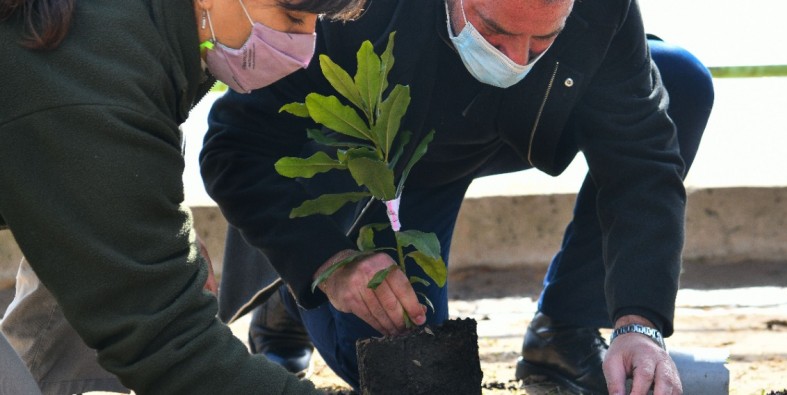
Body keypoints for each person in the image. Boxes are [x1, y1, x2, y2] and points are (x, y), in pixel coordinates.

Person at [200, 0, 715, 393]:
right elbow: (234, 150)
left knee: (679, 80)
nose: (515, 60)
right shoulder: (347, 9)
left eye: (542, 41)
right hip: (373, 166)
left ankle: (567, 328)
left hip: (500, 130)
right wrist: (324, 261)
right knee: (420, 374)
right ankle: (293, 296)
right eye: (494, 31)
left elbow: (641, 162)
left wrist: (639, 323)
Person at [0, 0, 365, 393]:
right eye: (292, 17)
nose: (305, 43)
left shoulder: (149, 32)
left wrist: (166, 243)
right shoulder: (93, 81)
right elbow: (170, 346)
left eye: (314, 23)